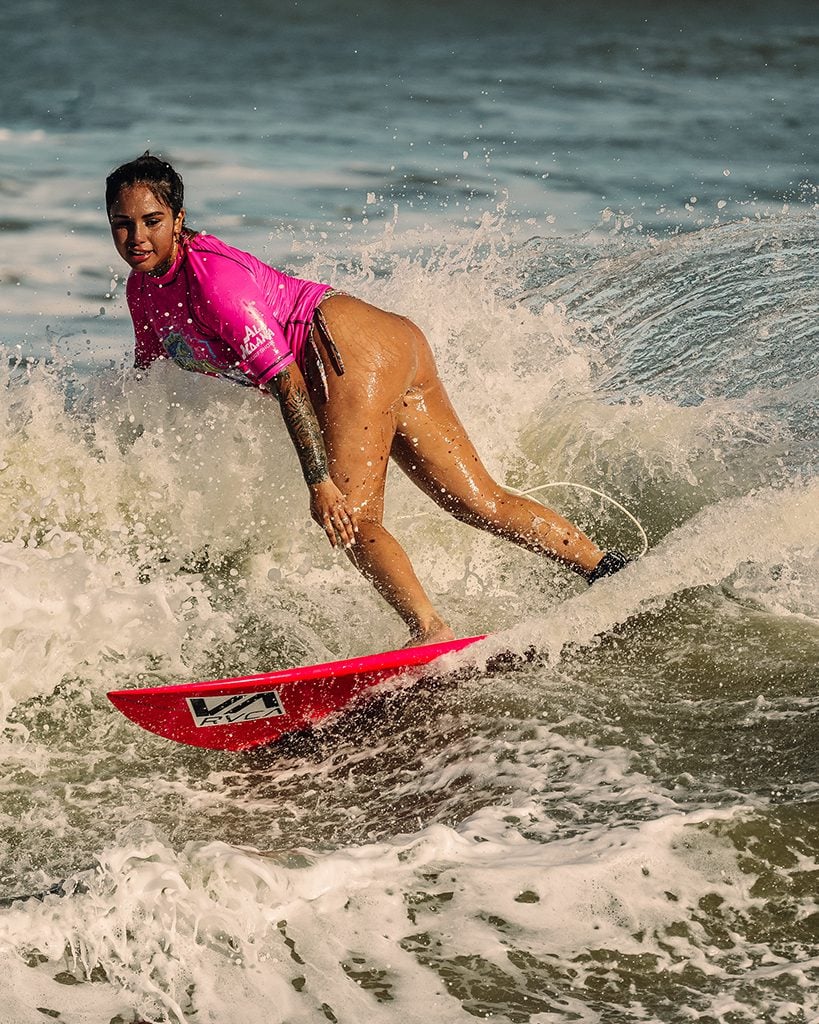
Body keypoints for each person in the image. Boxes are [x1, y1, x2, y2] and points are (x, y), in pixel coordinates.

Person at [105, 153, 629, 646]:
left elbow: (287, 382)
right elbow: (149, 380)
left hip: (347, 346)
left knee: (351, 517)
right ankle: (609, 571)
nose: (137, 237)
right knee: (476, 502)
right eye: (122, 224)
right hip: (384, 344)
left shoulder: (214, 281)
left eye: (151, 220)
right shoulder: (142, 290)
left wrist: (319, 483)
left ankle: (430, 630)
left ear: (178, 218)